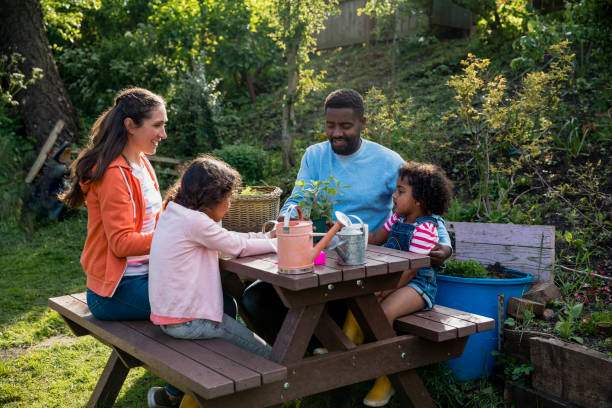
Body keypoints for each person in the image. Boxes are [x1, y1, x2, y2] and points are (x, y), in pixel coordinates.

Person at [241, 88, 453, 344]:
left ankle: (326, 355)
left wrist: (446, 245)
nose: (337, 133)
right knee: (255, 298)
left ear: (362, 123)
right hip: (316, 259)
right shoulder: (315, 155)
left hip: (363, 269)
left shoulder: (388, 161)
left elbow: (425, 210)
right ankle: (311, 355)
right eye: (330, 125)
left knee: (315, 306)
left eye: (345, 126)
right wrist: (286, 221)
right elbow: (298, 199)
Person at [147, 156, 277, 408]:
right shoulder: (194, 222)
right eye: (227, 198)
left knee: (243, 346)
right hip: (192, 322)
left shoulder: (175, 212)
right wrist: (276, 243)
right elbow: (234, 246)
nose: (229, 205)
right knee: (267, 356)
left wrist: (262, 236)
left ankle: (173, 399)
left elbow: (224, 238)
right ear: (210, 199)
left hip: (172, 318)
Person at [343, 161, 453, 407]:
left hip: (418, 286)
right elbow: (374, 239)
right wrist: (346, 231)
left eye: (401, 191)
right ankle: (345, 346)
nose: (394, 195)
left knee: (384, 312)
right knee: (359, 294)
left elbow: (413, 269)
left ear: (419, 200)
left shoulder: (426, 229)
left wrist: (387, 290)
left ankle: (387, 379)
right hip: (394, 279)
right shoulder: (396, 219)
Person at [60, 87, 166, 321]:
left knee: (221, 296)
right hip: (117, 291)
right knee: (208, 304)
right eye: (157, 125)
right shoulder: (112, 173)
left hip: (151, 275)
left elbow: (152, 222)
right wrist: (174, 236)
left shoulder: (142, 163)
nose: (164, 134)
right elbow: (121, 243)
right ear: (130, 125)